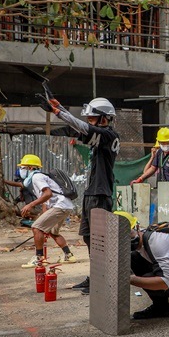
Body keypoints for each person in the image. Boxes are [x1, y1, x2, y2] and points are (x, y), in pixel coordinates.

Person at [39, 95, 120, 294]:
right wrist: (60, 109)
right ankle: (95, 277)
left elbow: (82, 128)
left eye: (92, 118)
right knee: (88, 237)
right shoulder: (99, 136)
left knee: (99, 239)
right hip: (92, 193)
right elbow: (78, 129)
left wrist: (58, 112)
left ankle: (102, 280)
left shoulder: (108, 135)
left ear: (104, 118)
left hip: (100, 194)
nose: (89, 122)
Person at [16, 154, 78, 268]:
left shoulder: (36, 177)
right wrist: (43, 218)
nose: (21, 170)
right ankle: (68, 255)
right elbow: (46, 200)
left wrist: (30, 205)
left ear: (30, 168)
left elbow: (48, 194)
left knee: (36, 227)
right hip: (65, 206)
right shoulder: (39, 177)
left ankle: (39, 258)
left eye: (23, 167)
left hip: (60, 206)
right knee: (52, 232)